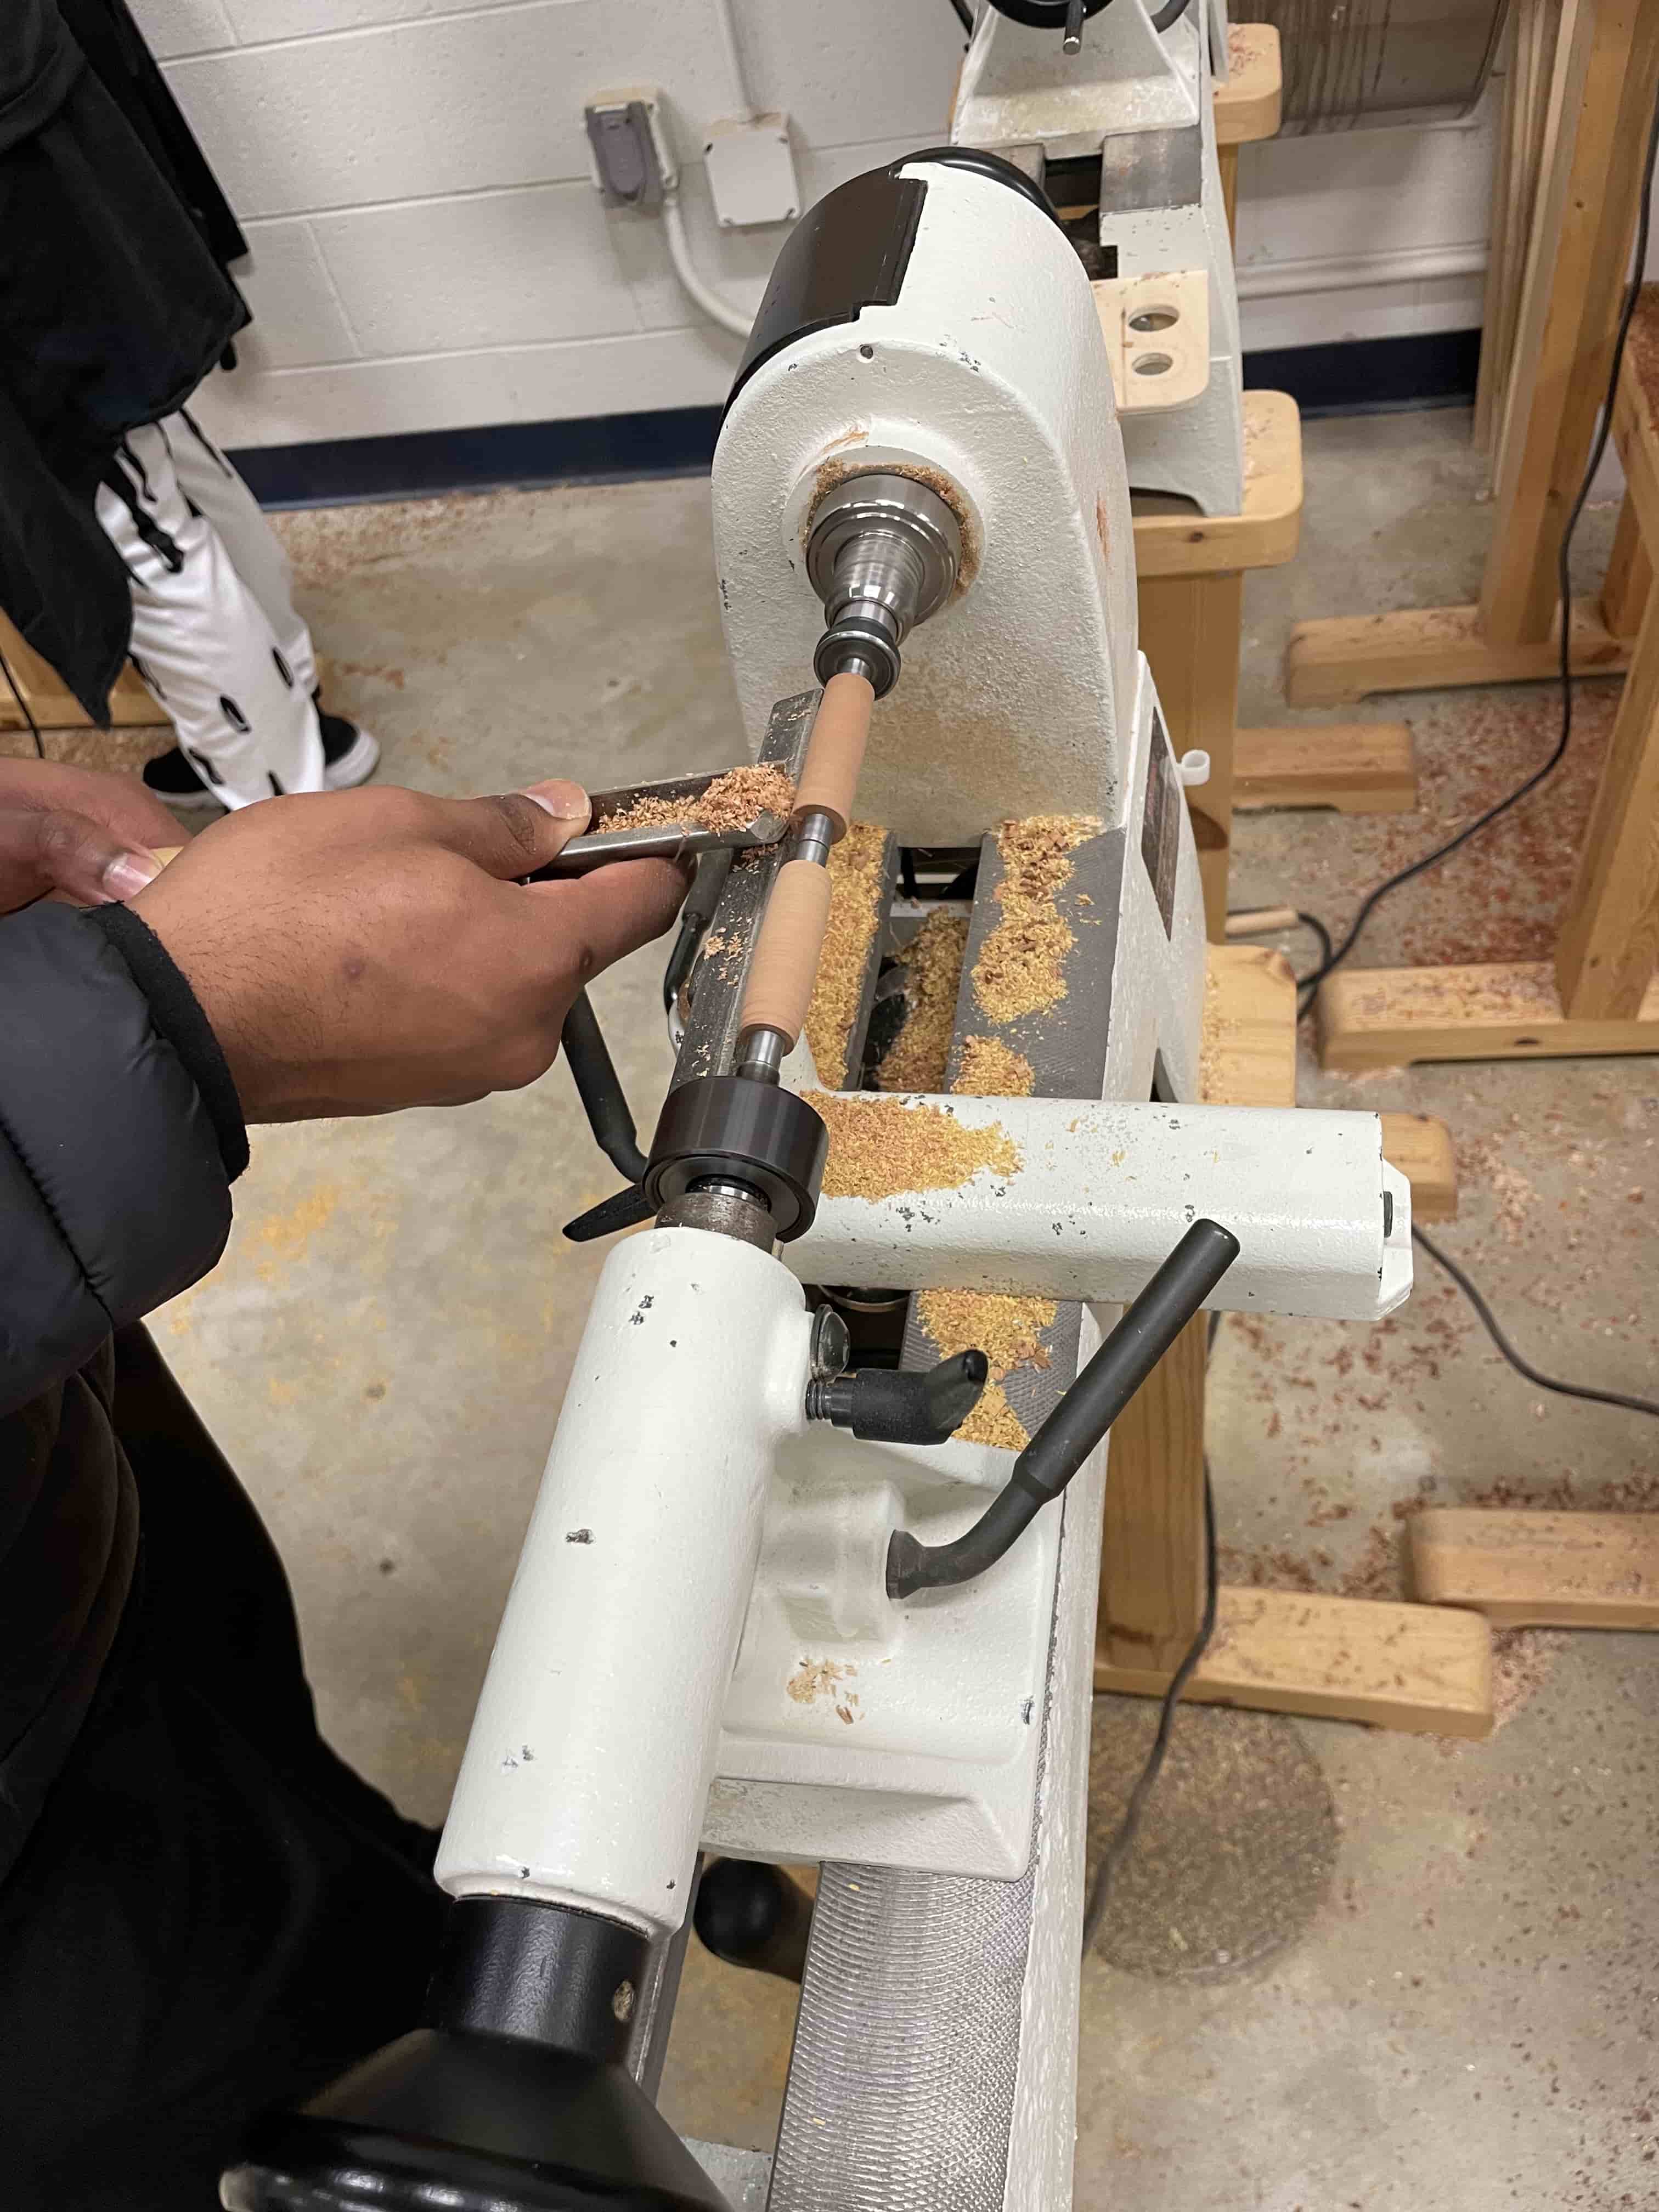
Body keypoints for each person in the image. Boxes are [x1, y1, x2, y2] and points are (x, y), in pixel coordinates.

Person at [0, 754, 688, 2210]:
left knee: (246, 1741)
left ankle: (403, 1945)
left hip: (44, 1460)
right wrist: (133, 1040)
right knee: (233, 2081)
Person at [0, 1, 374, 810]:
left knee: (128, 530)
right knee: (158, 466)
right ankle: (292, 722)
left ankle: (291, 822)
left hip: (21, 204)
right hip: (49, 152)